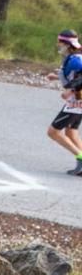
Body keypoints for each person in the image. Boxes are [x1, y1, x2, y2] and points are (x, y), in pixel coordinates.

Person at [45, 30, 82, 176]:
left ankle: (80, 157)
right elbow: (73, 75)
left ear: (67, 44)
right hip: (77, 100)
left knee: (53, 132)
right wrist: (56, 77)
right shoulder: (73, 57)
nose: (58, 45)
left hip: (77, 100)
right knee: (71, 132)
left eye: (60, 42)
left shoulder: (75, 60)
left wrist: (70, 91)